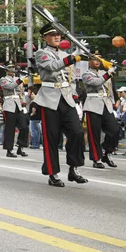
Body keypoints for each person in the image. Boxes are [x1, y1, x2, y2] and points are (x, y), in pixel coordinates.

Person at [33, 22, 87, 187]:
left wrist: (75, 95)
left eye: (59, 35)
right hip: (50, 99)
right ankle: (52, 173)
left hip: (67, 98)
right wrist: (74, 56)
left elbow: (69, 78)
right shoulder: (41, 53)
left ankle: (74, 168)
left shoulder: (65, 54)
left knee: (77, 133)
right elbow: (53, 66)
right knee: (52, 138)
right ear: (45, 37)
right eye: (52, 35)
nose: (56, 37)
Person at [81, 51, 119, 168]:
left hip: (106, 104)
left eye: (99, 60)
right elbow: (97, 83)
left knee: (114, 130)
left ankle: (107, 152)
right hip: (93, 105)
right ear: (89, 61)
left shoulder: (104, 72)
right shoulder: (86, 74)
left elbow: (110, 89)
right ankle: (96, 158)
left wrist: (112, 104)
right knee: (94, 134)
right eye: (94, 59)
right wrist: (109, 73)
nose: (97, 62)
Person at [0, 61, 30, 158]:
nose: (12, 69)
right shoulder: (3, 79)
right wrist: (20, 80)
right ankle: (9, 150)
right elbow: (10, 86)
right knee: (10, 129)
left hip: (18, 105)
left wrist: (24, 103)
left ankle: (21, 147)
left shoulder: (18, 79)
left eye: (13, 67)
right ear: (6, 69)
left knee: (24, 127)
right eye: (10, 67)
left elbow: (21, 91)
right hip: (9, 105)